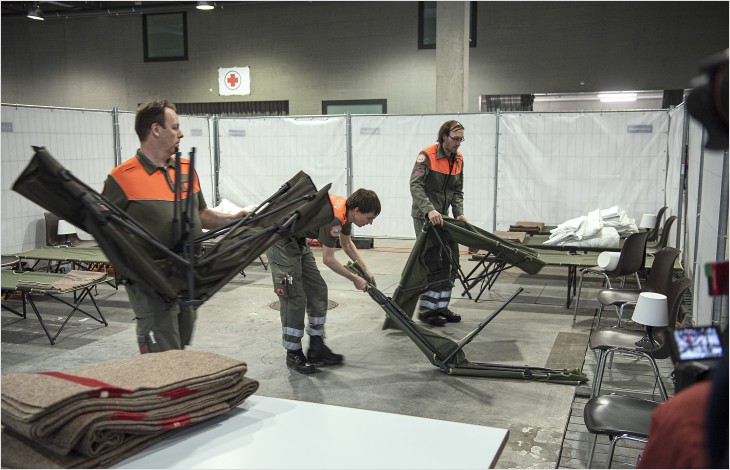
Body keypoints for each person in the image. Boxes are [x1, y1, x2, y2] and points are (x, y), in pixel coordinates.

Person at [102, 98, 246, 354]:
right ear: (156, 130)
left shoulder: (185, 169)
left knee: (179, 344)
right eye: (175, 127)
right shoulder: (122, 178)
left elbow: (201, 214)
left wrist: (232, 219)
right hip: (150, 282)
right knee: (163, 351)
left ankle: (176, 388)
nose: (181, 134)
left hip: (186, 274)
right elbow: (105, 231)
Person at [266, 189, 380, 374]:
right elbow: (328, 259)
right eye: (369, 218)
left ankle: (316, 347)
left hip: (298, 239)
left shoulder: (346, 212)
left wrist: (365, 269)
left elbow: (346, 244)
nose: (370, 222)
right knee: (294, 296)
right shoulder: (335, 218)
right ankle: (293, 352)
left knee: (318, 290)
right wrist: (354, 279)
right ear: (357, 210)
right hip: (280, 241)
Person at [410, 119, 468, 326]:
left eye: (461, 139)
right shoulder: (427, 155)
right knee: (433, 262)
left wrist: (459, 213)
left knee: (451, 261)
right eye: (455, 139)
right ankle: (427, 311)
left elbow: (457, 190)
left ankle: (441, 306)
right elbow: (415, 185)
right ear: (444, 136)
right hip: (425, 215)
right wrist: (429, 210)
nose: (458, 143)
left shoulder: (459, 158)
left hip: (445, 217)